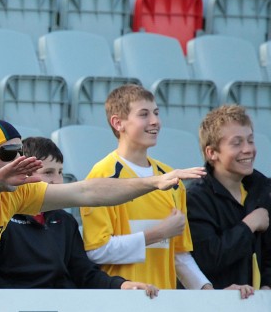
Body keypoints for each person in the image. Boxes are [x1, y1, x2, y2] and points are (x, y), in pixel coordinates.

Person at [0, 116, 205, 294]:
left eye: (19, 153)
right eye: (8, 154)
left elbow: (88, 192)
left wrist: (151, 183)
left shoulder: (12, 194)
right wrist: (0, 176)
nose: (18, 161)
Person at [80, 85, 253, 298]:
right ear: (118, 123)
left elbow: (178, 255)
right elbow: (97, 251)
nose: (155, 121)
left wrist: (210, 292)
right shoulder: (101, 176)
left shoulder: (171, 178)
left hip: (164, 301)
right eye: (144, 114)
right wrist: (158, 234)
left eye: (156, 113)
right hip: (119, 302)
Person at [0, 136, 158, 298]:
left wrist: (121, 285)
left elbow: (84, 273)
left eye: (60, 172)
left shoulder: (64, 221)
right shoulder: (2, 219)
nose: (57, 180)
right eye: (48, 173)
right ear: (24, 174)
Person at [187, 105, 271, 291]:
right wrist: (249, 225)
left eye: (250, 140)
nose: (248, 149)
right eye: (237, 143)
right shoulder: (196, 198)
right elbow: (208, 258)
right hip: (216, 305)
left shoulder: (264, 190)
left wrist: (267, 286)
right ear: (212, 153)